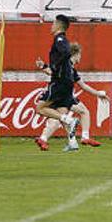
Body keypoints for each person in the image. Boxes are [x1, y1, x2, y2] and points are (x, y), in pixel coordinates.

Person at [34, 43, 106, 151]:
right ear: (75, 54)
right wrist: (44, 67)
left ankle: (47, 139)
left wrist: (98, 94)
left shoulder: (71, 69)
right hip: (61, 94)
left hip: (62, 94)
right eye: (80, 54)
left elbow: (82, 85)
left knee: (62, 117)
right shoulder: (66, 65)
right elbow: (52, 72)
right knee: (75, 114)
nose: (80, 57)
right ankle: (81, 138)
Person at [34, 15, 80, 147]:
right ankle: (72, 142)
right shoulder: (62, 40)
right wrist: (45, 66)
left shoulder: (59, 39)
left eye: (53, 23)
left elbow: (66, 52)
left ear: (59, 25)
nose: (51, 25)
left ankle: (70, 120)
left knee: (40, 108)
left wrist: (54, 66)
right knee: (60, 112)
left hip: (59, 82)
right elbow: (61, 60)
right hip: (66, 82)